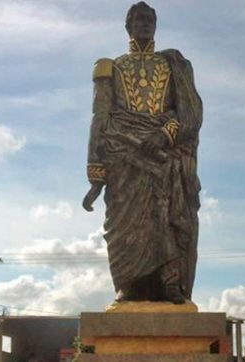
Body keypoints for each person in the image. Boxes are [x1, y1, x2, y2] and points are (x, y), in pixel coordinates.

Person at [81, 1, 203, 305]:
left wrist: (165, 134)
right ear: (127, 26)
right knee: (123, 221)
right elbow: (100, 117)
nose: (144, 24)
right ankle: (128, 284)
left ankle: (170, 282)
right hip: (123, 157)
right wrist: (96, 173)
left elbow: (189, 112)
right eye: (138, 19)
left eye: (149, 19)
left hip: (165, 156)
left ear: (156, 25)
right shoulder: (111, 66)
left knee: (167, 216)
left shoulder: (173, 65)